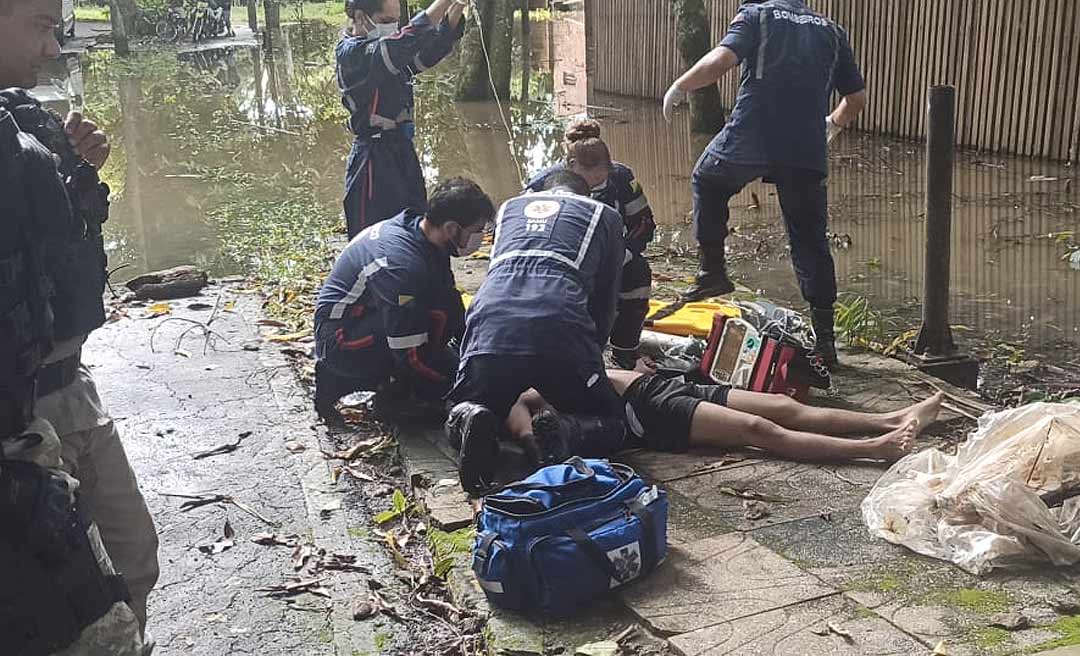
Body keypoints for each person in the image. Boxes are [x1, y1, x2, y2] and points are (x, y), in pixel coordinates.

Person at [0, 0, 160, 635]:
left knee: (133, 557)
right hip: (21, 417)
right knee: (61, 611)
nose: (51, 49)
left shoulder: (24, 119)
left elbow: (58, 257)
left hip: (71, 384)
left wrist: (80, 175)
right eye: (41, 25)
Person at [661, 0, 867, 367]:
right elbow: (856, 100)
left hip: (753, 134)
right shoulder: (832, 31)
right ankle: (826, 345)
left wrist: (680, 86)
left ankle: (712, 273)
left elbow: (721, 61)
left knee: (707, 180)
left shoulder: (758, 16)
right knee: (810, 238)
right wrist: (830, 125)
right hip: (805, 147)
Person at [446, 170, 627, 496]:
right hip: (561, 329)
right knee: (613, 423)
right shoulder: (605, 215)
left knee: (467, 403)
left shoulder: (509, 208)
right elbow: (606, 303)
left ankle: (471, 414)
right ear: (586, 195)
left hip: (488, 326)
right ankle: (568, 430)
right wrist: (590, 364)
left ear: (542, 190)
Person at [314, 177, 494, 423]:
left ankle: (407, 383)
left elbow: (451, 305)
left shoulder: (426, 237)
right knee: (427, 329)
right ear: (452, 228)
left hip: (368, 316)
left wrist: (477, 356)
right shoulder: (402, 267)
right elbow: (408, 351)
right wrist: (457, 387)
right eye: (477, 231)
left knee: (443, 307)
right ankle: (389, 396)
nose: (480, 238)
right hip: (339, 339)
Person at [510, 369, 944, 465]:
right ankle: (875, 449)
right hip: (651, 412)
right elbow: (523, 426)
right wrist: (535, 441)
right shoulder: (509, 394)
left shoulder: (535, 346)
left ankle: (892, 418)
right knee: (761, 431)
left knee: (784, 406)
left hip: (660, 383)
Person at [526, 119, 657, 370]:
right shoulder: (544, 185)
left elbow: (644, 224)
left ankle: (624, 352)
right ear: (572, 166)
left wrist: (624, 253)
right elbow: (522, 231)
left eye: (603, 174)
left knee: (638, 273)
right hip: (559, 264)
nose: (599, 180)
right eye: (592, 176)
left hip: (611, 258)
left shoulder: (621, 178)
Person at [337, 0, 466, 238]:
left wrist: (457, 7)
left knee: (416, 226)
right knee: (375, 237)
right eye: (386, 21)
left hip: (402, 151)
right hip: (373, 159)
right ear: (360, 16)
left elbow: (428, 52)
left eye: (396, 22)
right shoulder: (352, 54)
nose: (393, 27)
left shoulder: (391, 55)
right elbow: (400, 45)